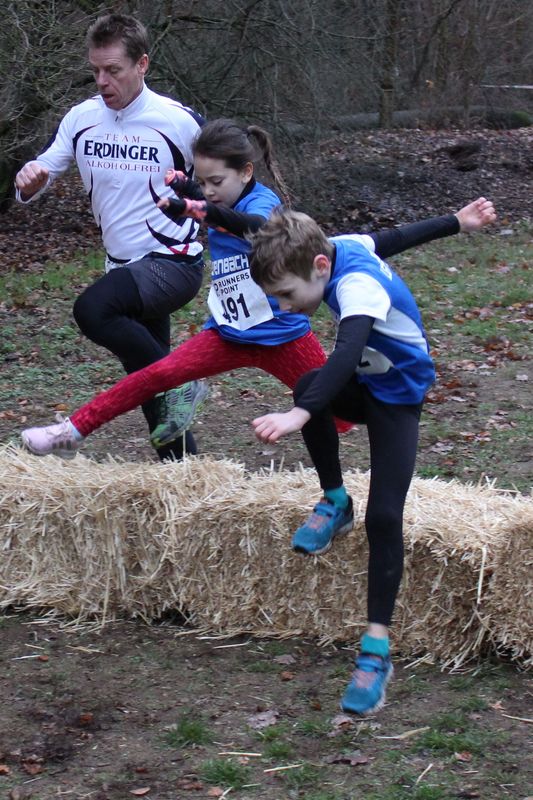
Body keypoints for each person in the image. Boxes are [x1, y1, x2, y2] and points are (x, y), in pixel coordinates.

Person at [19, 121, 495, 462]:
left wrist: (200, 209)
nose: (209, 191)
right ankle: (72, 429)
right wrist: (188, 191)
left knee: (339, 418)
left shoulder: (265, 205)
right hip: (226, 334)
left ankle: (339, 488)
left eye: (216, 182)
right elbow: (212, 200)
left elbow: (253, 224)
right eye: (202, 181)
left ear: (246, 172)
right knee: (154, 375)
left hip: (283, 338)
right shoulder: (211, 195)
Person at [248, 205, 495, 716]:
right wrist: (456, 222)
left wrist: (299, 415)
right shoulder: (341, 246)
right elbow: (397, 235)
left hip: (397, 399)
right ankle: (336, 502)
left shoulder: (357, 287)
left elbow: (345, 354)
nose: (283, 306)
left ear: (320, 266)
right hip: (367, 383)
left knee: (384, 516)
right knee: (309, 383)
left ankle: (376, 651)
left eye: (287, 294)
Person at [14, 12, 207, 462]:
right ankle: (186, 473)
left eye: (113, 70)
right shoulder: (81, 118)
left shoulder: (180, 122)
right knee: (149, 389)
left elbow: (225, 184)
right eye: (96, 70)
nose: (102, 81)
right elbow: (42, 171)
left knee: (92, 310)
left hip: (174, 263)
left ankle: (184, 381)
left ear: (142, 64)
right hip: (122, 267)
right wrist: (29, 180)